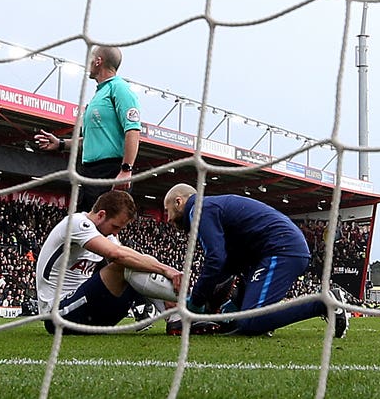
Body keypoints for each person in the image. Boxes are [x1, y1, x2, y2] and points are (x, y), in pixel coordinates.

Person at [163, 183, 349, 337]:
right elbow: (230, 262)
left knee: (251, 322)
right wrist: (233, 300)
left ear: (178, 202)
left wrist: (195, 302)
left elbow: (215, 260)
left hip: (280, 250)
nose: (168, 219)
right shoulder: (209, 208)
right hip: (270, 253)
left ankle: (323, 303)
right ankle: (265, 317)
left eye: (167, 211)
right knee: (236, 321)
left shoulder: (199, 210)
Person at [36, 190, 182, 334]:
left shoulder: (105, 234)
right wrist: (165, 270)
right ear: (101, 215)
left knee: (142, 260)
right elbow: (116, 255)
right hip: (58, 315)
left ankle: (175, 315)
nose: (115, 233)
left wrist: (161, 273)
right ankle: (185, 304)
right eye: (115, 226)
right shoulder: (76, 223)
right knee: (124, 264)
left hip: (88, 312)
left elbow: (133, 257)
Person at [34, 45, 141, 212]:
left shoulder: (119, 88)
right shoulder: (99, 94)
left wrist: (126, 169)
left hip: (110, 171)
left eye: (90, 60)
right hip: (89, 172)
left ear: (99, 61)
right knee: (84, 228)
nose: (88, 64)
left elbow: (133, 130)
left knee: (98, 228)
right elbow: (90, 140)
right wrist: (61, 144)